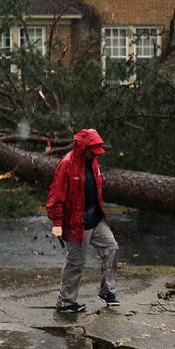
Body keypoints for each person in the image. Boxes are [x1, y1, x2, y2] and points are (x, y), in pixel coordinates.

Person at [46, 128, 120, 313]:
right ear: (83, 147)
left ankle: (107, 291)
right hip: (75, 222)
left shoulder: (94, 162)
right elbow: (55, 197)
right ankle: (66, 302)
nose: (95, 154)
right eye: (92, 150)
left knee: (112, 248)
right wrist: (57, 223)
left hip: (95, 218)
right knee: (75, 263)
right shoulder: (67, 164)